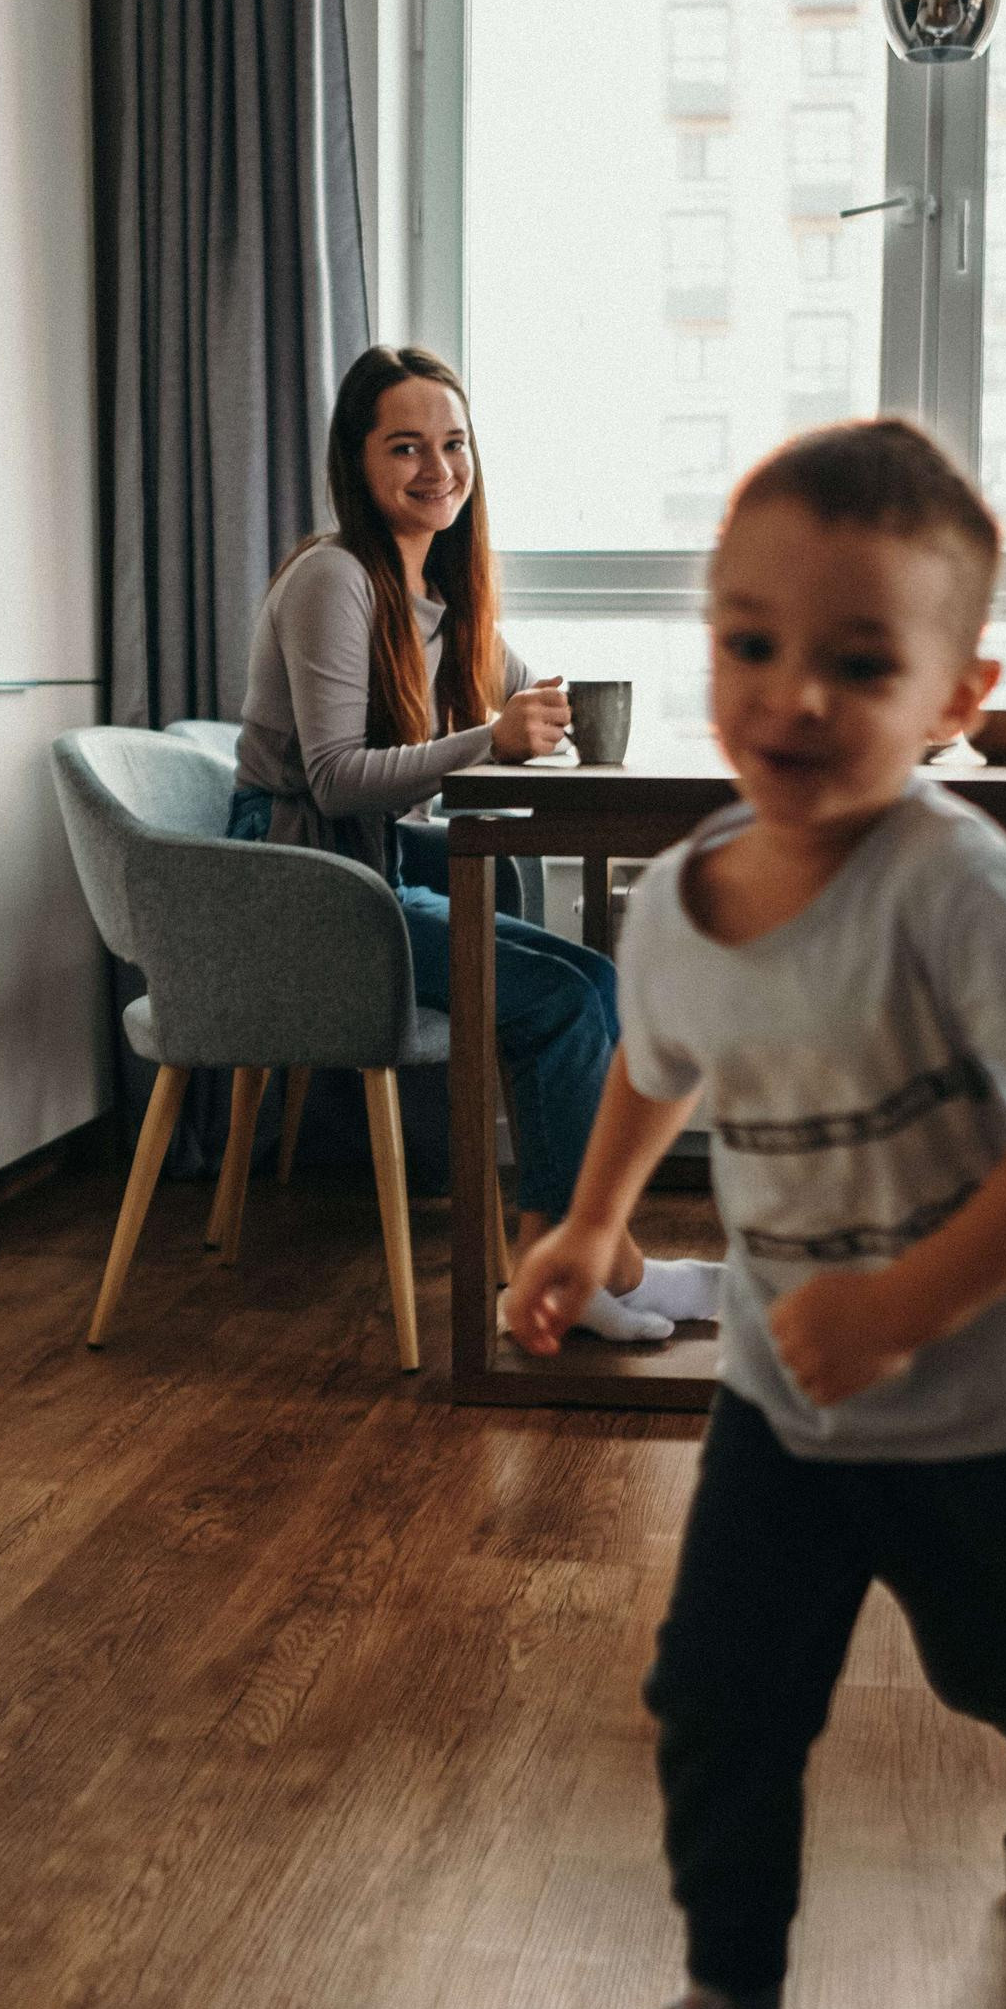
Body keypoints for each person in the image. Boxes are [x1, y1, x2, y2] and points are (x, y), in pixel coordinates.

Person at [503, 417, 1006, 2009]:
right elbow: (658, 1063)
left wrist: (903, 1303)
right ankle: (728, 1998)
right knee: (718, 1692)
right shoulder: (678, 899)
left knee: (988, 1654)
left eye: (858, 661)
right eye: (751, 643)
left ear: (959, 694)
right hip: (782, 1397)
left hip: (982, 1394)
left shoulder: (965, 891)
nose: (791, 694)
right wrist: (596, 1221)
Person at [231, 343, 717, 1342]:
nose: (436, 469)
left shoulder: (441, 602)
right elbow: (332, 776)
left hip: (363, 879)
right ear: (356, 463)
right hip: (298, 890)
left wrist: (557, 717)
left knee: (585, 983)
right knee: (551, 1000)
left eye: (453, 444)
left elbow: (518, 700)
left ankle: (572, 1268)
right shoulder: (334, 578)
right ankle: (592, 1272)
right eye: (405, 446)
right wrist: (488, 738)